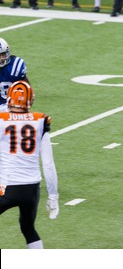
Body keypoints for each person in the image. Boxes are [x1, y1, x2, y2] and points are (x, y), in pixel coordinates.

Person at [0, 81, 59, 249]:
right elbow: (48, 164)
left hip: (7, 187)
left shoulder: (2, 120)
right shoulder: (40, 121)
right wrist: (53, 196)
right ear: (30, 100)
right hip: (32, 189)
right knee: (28, 228)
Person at [0, 38, 29, 112]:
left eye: (2, 54)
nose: (0, 58)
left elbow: (26, 87)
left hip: (11, 107)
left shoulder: (15, 66)